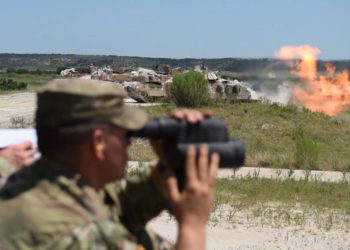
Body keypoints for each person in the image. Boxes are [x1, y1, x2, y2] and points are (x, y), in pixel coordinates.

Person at [0, 79, 219, 250]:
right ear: (98, 142)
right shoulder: (80, 234)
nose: (129, 142)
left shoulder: (25, 183)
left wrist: (169, 164)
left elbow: (112, 204)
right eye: (125, 134)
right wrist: (192, 224)